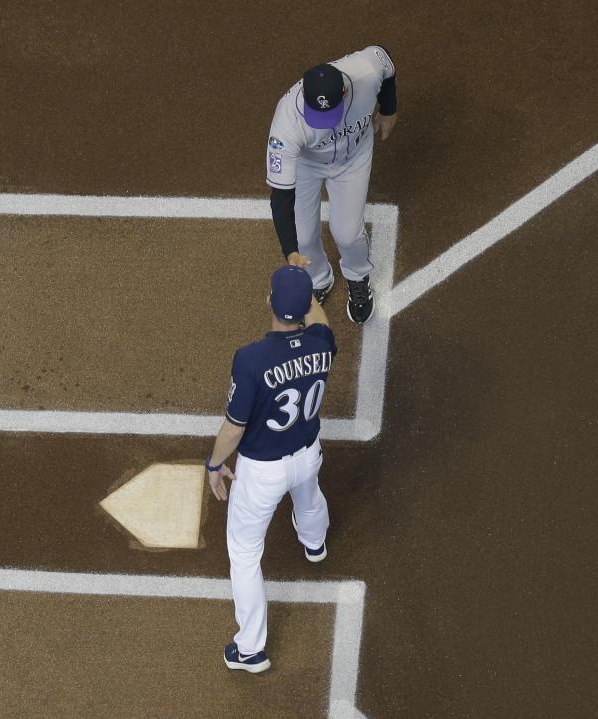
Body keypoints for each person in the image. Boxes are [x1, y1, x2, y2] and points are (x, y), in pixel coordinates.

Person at [205, 265, 336, 673]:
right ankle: (315, 545)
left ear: (269, 303)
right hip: (307, 453)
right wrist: (307, 295)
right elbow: (320, 319)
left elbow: (233, 428)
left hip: (262, 472)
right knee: (309, 496)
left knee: (244, 553)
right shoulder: (323, 342)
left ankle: (250, 649)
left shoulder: (250, 359)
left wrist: (214, 463)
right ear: (307, 306)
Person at [266, 46, 397, 324]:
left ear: (346, 93)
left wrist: (389, 109)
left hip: (354, 159)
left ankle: (358, 276)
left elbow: (386, 64)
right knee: (302, 238)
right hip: (307, 165)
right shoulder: (286, 123)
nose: (323, 124)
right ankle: (319, 280)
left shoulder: (365, 72)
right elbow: (281, 197)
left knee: (348, 234)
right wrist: (289, 250)